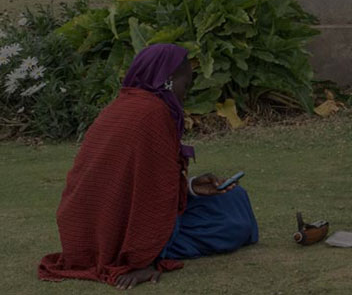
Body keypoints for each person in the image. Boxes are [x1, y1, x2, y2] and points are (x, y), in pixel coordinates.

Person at [38, 44, 258, 289]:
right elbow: (151, 198)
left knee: (235, 197)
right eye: (186, 85)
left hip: (93, 223)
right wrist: (142, 261)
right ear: (169, 81)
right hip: (116, 229)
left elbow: (139, 181)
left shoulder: (122, 105)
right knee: (233, 225)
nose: (185, 94)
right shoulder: (153, 113)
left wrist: (192, 187)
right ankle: (150, 252)